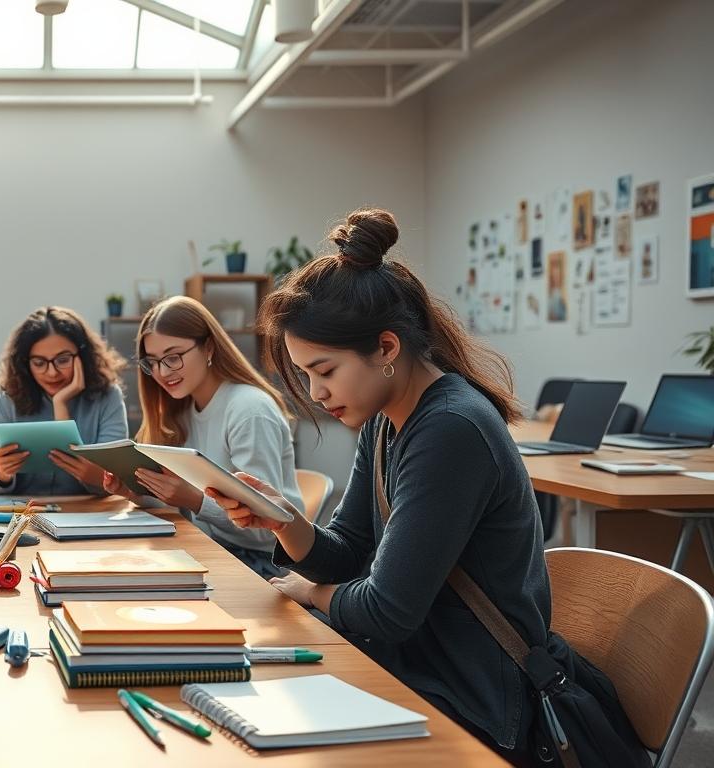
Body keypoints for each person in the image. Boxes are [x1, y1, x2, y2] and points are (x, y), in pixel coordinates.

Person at [206, 208, 560, 763]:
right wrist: (286, 523)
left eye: (325, 370)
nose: (316, 392)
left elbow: (386, 611)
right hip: (415, 665)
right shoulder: (385, 416)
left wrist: (307, 592)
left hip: (474, 701)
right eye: (305, 375)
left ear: (387, 349)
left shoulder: (451, 429)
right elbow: (349, 555)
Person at [102, 296, 303, 578]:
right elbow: (190, 512)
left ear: (208, 346)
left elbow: (267, 531)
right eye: (153, 362)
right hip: (213, 550)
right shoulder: (183, 411)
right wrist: (134, 493)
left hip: (262, 566)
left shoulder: (249, 410)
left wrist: (195, 499)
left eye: (173, 357)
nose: (162, 372)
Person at [0, 306, 127, 496]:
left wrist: (61, 405)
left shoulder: (107, 397)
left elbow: (115, 483)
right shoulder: (10, 399)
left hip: (86, 514)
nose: (52, 372)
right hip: (26, 514)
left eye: (63, 360)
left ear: (82, 356)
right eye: (39, 363)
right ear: (25, 363)